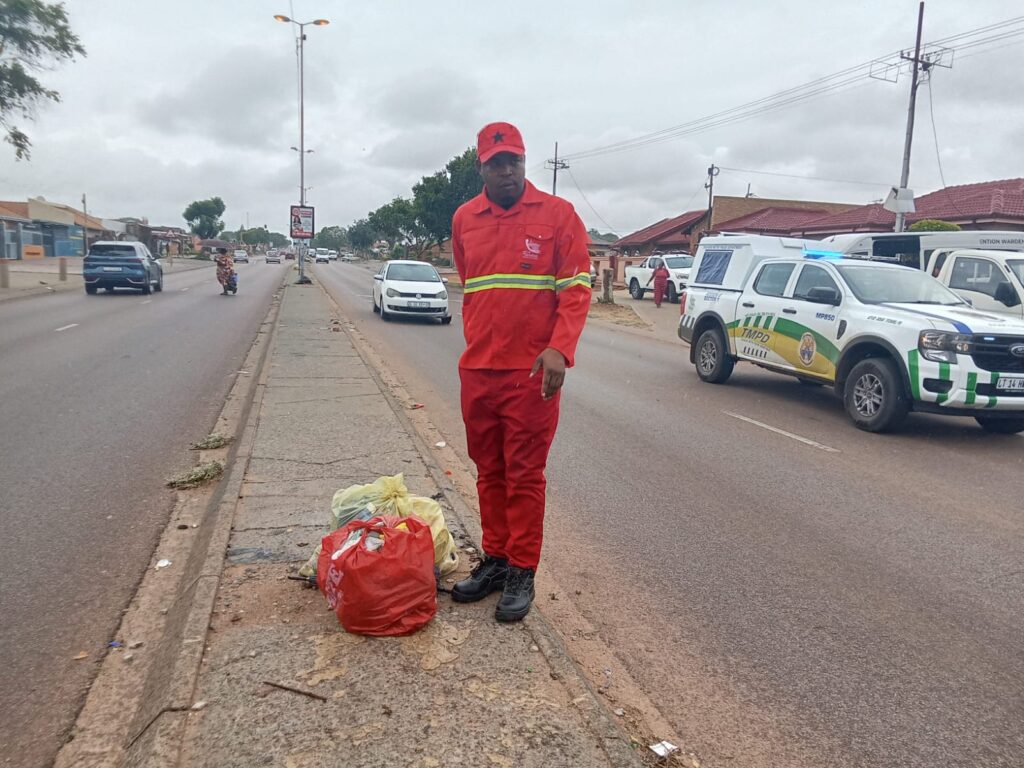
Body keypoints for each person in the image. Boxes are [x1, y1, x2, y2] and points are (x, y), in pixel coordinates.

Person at [449, 121, 592, 622]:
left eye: (513, 160)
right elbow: (472, 284)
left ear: (523, 163)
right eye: (496, 162)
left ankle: (522, 570)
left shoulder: (558, 215)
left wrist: (560, 349)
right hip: (479, 370)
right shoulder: (465, 218)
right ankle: (496, 558)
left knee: (525, 475)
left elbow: (576, 289)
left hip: (532, 375)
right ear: (481, 167)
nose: (506, 170)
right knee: (489, 471)